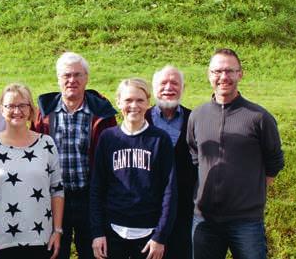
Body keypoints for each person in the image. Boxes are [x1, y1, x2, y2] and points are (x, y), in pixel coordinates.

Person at [187, 48, 284, 259]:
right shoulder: (197, 115)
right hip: (205, 220)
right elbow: (195, 157)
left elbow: (274, 161)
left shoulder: (259, 117)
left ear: (240, 74)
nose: (224, 77)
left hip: (246, 222)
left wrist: (250, 191)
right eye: (217, 71)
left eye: (230, 71)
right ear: (209, 74)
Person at [32, 52, 117, 259]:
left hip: (90, 198)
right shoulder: (43, 114)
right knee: (54, 253)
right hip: (53, 199)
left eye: (78, 75)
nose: (72, 80)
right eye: (66, 75)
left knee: (93, 253)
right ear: (58, 79)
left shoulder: (102, 115)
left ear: (87, 78)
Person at [0, 83, 65, 259]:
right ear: (1, 109)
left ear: (31, 110)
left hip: (41, 239)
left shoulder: (47, 143)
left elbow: (57, 189)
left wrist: (57, 230)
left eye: (23, 105)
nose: (17, 111)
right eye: (11, 106)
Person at [90, 78, 177, 259]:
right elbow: (97, 187)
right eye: (128, 100)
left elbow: (170, 191)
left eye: (140, 100)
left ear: (149, 103)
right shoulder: (108, 138)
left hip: (149, 234)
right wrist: (97, 232)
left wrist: (160, 236)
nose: (134, 106)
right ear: (118, 102)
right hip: (112, 230)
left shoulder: (160, 139)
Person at [145, 65, 195, 259]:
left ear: (183, 88)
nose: (169, 87)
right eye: (163, 83)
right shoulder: (142, 118)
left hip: (185, 211)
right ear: (154, 87)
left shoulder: (194, 119)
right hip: (149, 210)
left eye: (174, 83)